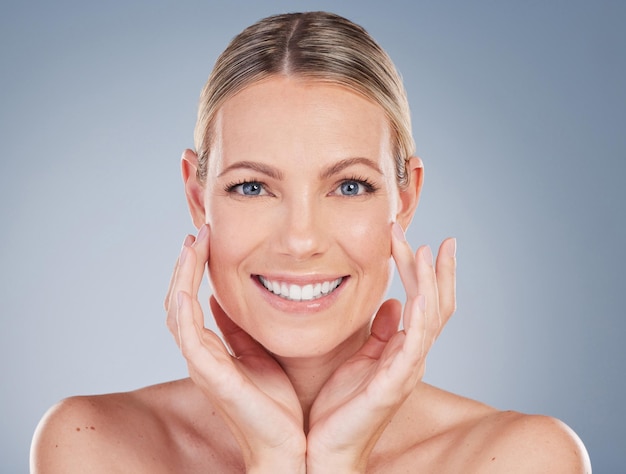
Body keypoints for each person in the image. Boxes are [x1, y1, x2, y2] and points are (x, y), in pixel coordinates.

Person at [30, 11, 591, 473]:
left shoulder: (520, 458)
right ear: (199, 198)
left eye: (350, 186)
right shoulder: (94, 447)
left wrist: (338, 459)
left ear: (406, 197)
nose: (300, 240)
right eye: (252, 186)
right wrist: (272, 457)